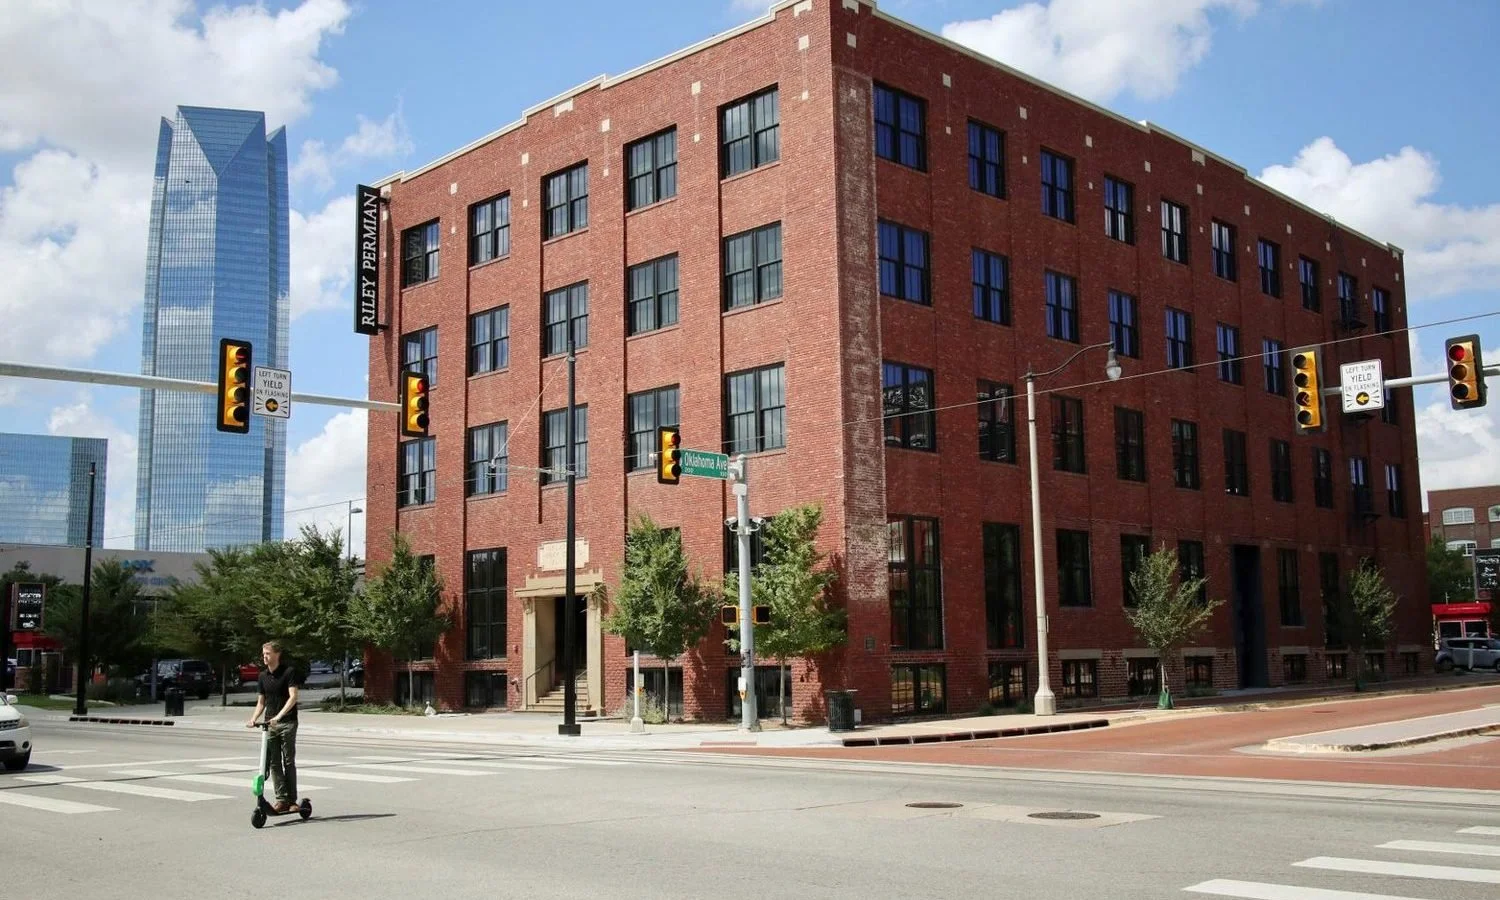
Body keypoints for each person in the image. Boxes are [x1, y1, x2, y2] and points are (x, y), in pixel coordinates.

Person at [247, 640, 301, 812]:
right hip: (270, 724)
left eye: (268, 654)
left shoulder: (288, 672)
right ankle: (281, 799)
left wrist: (279, 716)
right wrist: (253, 718)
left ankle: (292, 801)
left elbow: (293, 697)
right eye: (263, 654)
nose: (264, 657)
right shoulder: (263, 676)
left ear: (277, 654)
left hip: (287, 722)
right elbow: (261, 702)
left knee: (288, 761)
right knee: (274, 763)